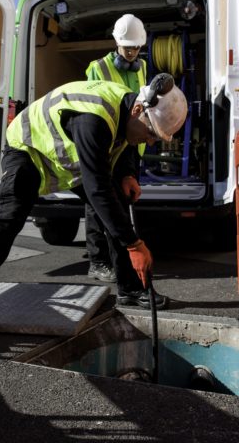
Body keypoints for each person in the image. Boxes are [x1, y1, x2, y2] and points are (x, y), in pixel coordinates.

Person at [0, 74, 188, 351]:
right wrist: (134, 244)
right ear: (138, 111)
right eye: (151, 133)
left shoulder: (130, 106)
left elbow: (126, 142)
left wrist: (128, 174)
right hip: (29, 149)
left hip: (65, 159)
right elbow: (97, 189)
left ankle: (131, 291)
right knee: (8, 221)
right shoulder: (93, 118)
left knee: (116, 202)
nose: (151, 141)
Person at [82, 14, 147, 283]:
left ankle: (121, 260)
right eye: (127, 47)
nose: (131, 53)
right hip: (107, 142)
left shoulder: (141, 66)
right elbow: (92, 107)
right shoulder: (97, 68)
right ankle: (98, 262)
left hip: (130, 144)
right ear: (116, 43)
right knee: (98, 203)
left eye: (136, 48)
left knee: (121, 201)